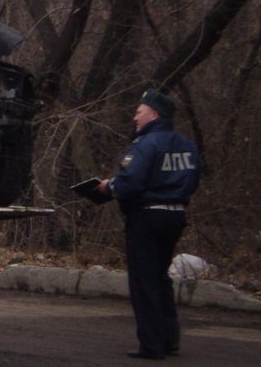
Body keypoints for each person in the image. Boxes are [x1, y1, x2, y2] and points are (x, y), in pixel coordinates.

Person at [94, 88, 201, 360]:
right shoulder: (186, 145)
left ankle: (152, 345)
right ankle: (169, 338)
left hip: (147, 216)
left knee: (144, 281)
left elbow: (130, 182)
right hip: (175, 215)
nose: (135, 118)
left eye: (139, 112)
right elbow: (193, 180)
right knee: (160, 276)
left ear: (154, 114)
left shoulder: (147, 144)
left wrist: (109, 186)